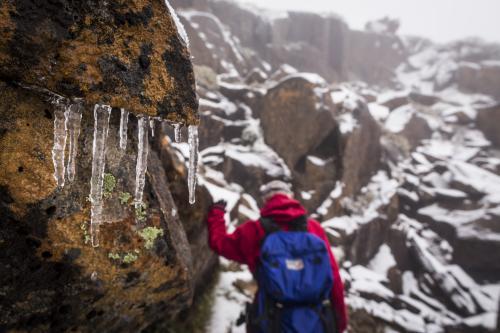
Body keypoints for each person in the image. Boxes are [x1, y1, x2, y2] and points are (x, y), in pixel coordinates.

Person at [206, 180, 348, 333]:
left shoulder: (253, 230)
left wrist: (217, 213)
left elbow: (219, 243)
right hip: (315, 321)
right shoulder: (314, 228)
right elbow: (333, 276)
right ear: (290, 197)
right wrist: (340, 321)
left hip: (271, 319)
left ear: (265, 201)